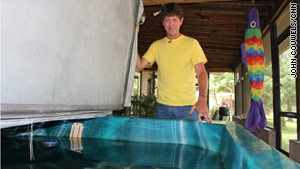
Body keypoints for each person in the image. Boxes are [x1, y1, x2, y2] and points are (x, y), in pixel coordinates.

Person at [136, 3, 212, 122]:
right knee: (163, 141)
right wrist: (134, 37)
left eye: (174, 20)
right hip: (162, 108)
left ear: (181, 21)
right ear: (162, 23)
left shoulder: (192, 44)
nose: (171, 24)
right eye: (167, 20)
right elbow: (139, 66)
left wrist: (202, 98)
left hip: (187, 108)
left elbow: (202, 72)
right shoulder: (156, 46)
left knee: (188, 141)